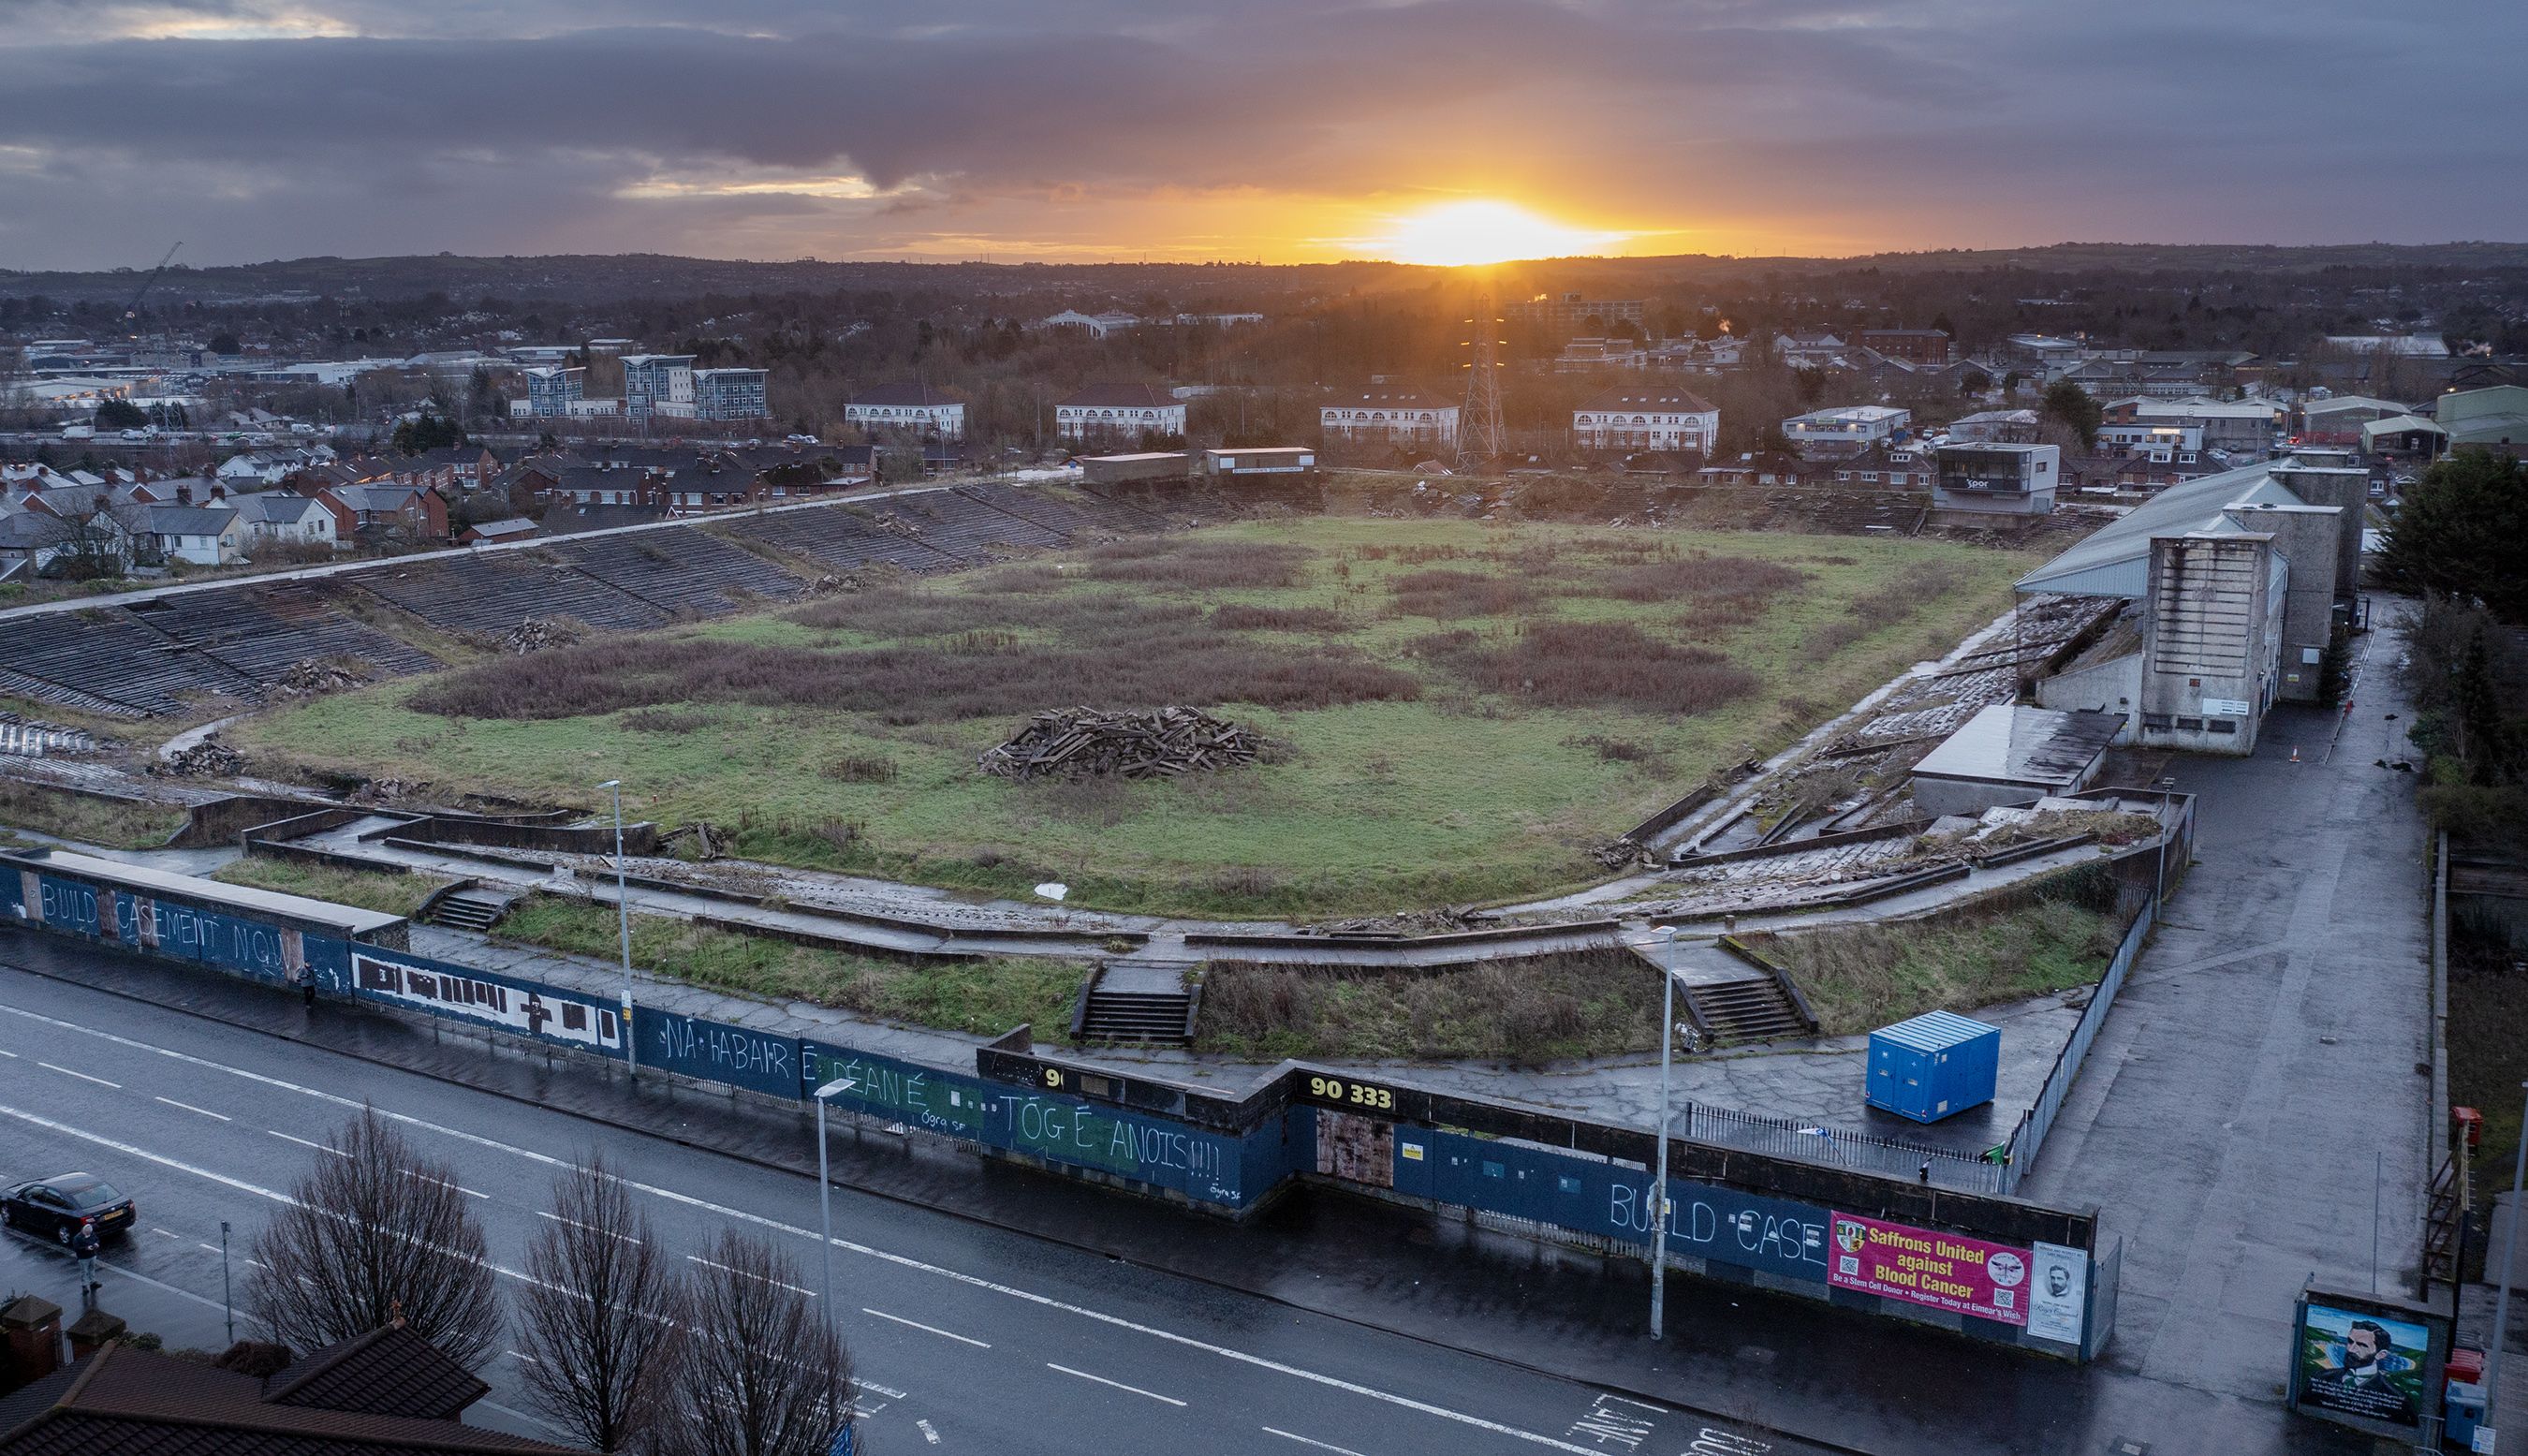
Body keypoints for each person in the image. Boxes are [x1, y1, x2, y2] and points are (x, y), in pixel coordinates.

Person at [2309, 1318, 2418, 1423]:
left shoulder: (2397, 1398)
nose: (2351, 1349)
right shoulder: (2321, 1377)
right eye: (2350, 1341)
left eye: (2362, 1345)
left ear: (2381, 1354)